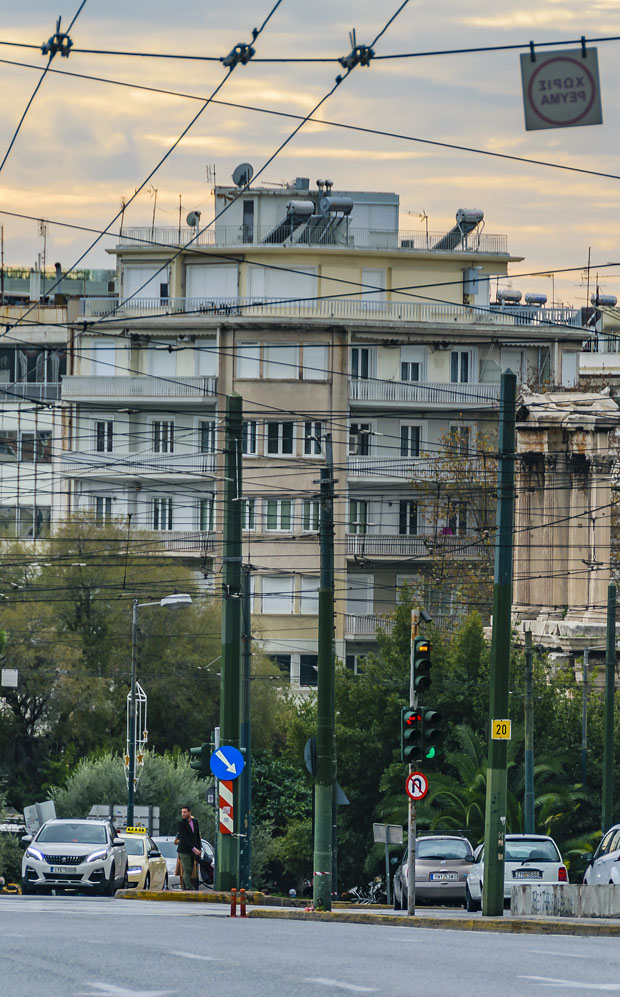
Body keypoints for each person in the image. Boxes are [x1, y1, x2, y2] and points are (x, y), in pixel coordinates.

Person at [176, 805, 201, 891]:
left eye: (185, 812)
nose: (183, 814)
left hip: (193, 849)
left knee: (190, 869)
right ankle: (189, 887)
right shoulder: (181, 824)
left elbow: (197, 836)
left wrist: (199, 847)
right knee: (187, 869)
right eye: (182, 812)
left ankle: (184, 886)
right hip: (184, 850)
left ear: (189, 812)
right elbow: (184, 838)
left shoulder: (195, 822)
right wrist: (194, 848)